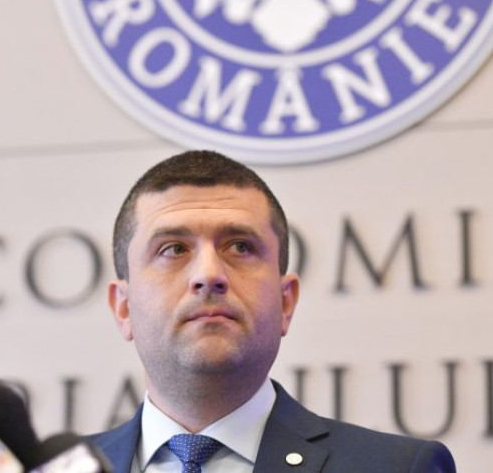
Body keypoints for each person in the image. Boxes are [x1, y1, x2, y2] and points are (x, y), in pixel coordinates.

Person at [90, 150, 456, 472]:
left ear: (286, 302)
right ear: (123, 308)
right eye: (173, 249)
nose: (209, 274)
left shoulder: (397, 468)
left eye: (240, 246)